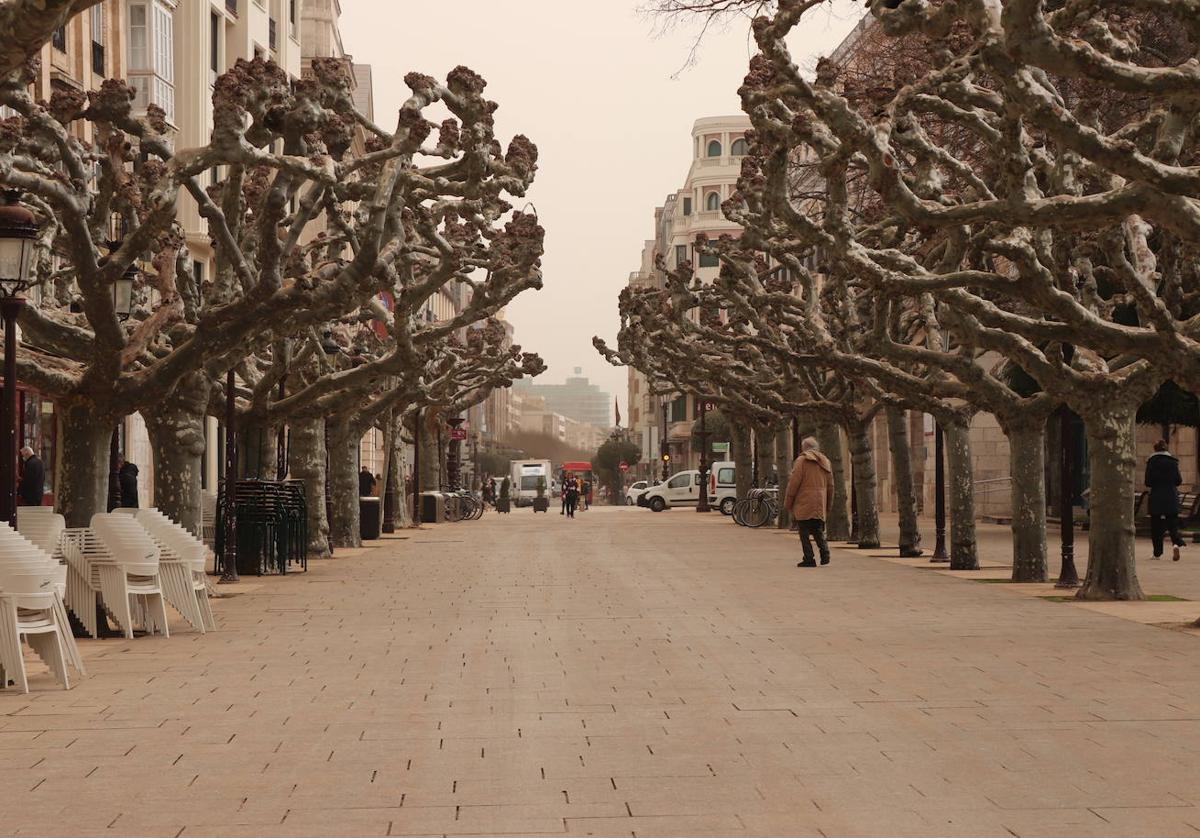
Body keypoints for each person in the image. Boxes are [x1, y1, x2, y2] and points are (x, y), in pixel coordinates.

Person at [783, 437, 834, 567]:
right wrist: (828, 504)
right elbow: (831, 486)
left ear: (804, 447)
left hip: (804, 501)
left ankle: (809, 558)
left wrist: (788, 502)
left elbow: (794, 483)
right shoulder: (825, 461)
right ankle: (825, 552)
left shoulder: (801, 461)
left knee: (804, 532)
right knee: (817, 529)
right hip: (819, 502)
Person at [1145, 439, 1186, 561]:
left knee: (1156, 526)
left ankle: (1157, 553)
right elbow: (1178, 481)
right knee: (1172, 524)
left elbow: (1147, 482)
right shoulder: (1173, 462)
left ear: (1155, 449)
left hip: (1157, 497)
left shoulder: (1151, 462)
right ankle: (1175, 544)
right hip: (1171, 496)